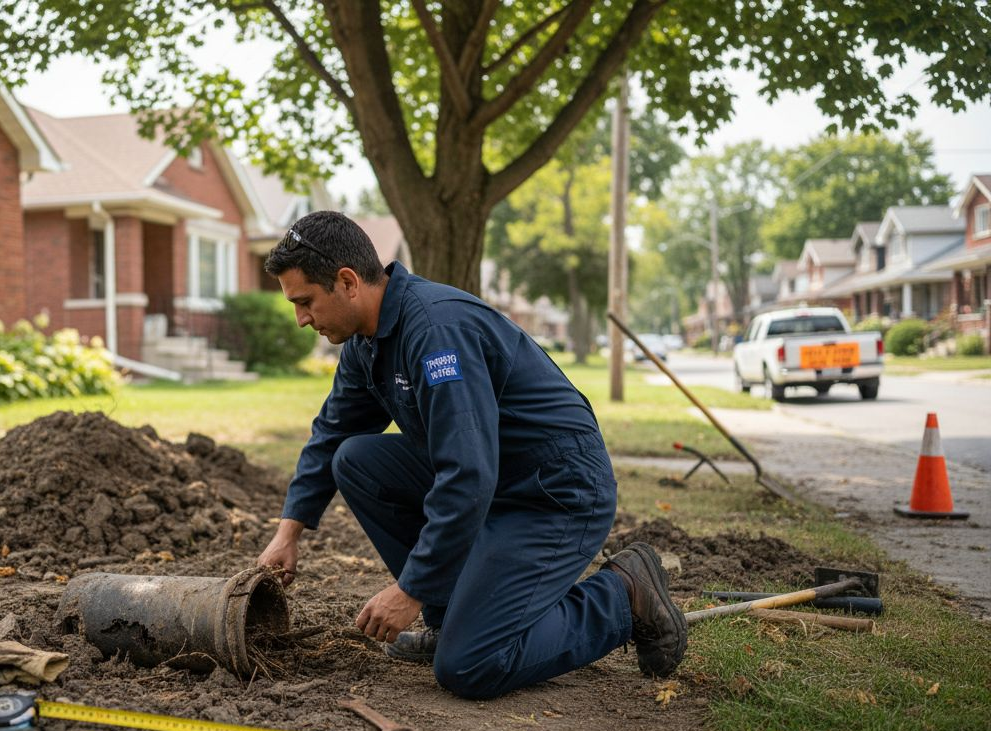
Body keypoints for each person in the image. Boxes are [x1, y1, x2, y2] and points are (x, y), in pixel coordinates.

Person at [256, 210, 686, 700]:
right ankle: (451, 618)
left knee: (470, 665)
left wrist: (409, 591)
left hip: (554, 492)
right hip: (498, 480)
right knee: (356, 459)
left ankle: (623, 597)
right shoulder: (366, 342)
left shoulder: (436, 331)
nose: (302, 319)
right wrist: (287, 533)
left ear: (347, 282)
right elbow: (333, 433)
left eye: (305, 302)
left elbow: (467, 477)